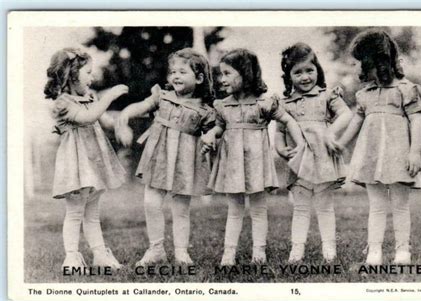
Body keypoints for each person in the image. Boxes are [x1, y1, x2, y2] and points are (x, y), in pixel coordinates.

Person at [201, 48, 304, 266]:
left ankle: (259, 253)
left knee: (259, 209)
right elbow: (219, 128)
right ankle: (228, 254)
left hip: (257, 164)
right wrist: (210, 135)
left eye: (228, 73)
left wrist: (300, 143)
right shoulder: (223, 105)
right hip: (232, 165)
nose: (222, 79)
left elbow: (289, 121)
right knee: (234, 209)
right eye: (221, 74)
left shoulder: (264, 103)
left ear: (246, 73)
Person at [115, 48, 216, 265]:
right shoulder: (162, 97)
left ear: (199, 78)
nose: (175, 76)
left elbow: (213, 133)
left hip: (186, 161)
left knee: (181, 208)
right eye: (172, 72)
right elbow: (140, 107)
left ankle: (181, 252)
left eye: (182, 72)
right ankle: (156, 248)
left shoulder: (206, 110)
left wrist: (211, 139)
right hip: (159, 158)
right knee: (151, 202)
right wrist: (124, 117)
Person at [335, 30, 421, 265]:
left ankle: (402, 251)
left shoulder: (405, 89)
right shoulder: (365, 95)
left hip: (399, 156)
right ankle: (374, 251)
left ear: (374, 61)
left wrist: (414, 152)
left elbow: (416, 119)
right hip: (372, 158)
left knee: (400, 204)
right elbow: (357, 120)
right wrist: (342, 143)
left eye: (358, 62)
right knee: (376, 206)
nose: (356, 68)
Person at [44, 47, 128, 271]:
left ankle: (99, 254)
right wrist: (110, 95)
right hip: (76, 166)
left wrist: (121, 124)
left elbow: (106, 120)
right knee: (74, 212)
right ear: (72, 74)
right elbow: (88, 117)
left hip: (93, 165)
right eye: (88, 72)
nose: (92, 77)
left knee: (92, 213)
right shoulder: (63, 103)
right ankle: (71, 257)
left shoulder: (90, 98)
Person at [275, 42, 352, 263]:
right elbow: (279, 131)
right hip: (299, 163)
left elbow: (346, 115)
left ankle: (329, 249)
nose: (305, 77)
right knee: (300, 208)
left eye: (309, 70)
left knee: (325, 207)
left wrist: (331, 133)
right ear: (288, 76)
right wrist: (280, 148)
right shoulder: (285, 104)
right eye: (297, 72)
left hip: (323, 160)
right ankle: (296, 250)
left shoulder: (327, 96)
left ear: (318, 70)